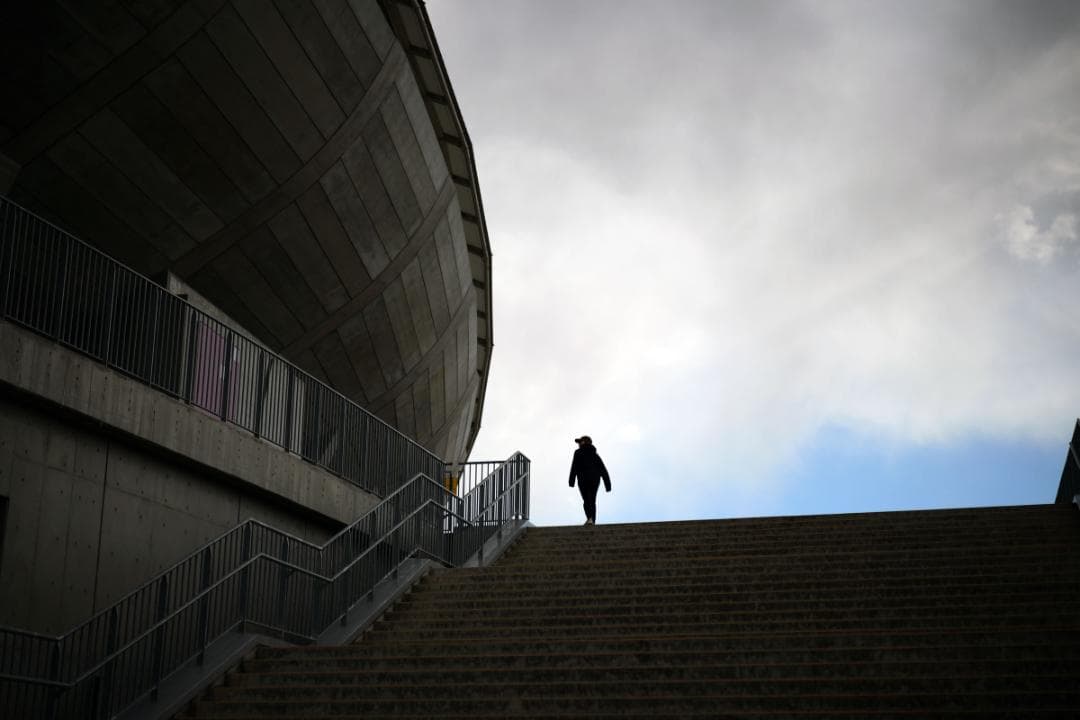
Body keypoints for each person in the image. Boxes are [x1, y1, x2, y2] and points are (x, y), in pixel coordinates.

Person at [568, 435, 611, 525]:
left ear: (584, 442)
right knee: (592, 499)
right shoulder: (595, 455)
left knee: (587, 500)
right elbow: (603, 469)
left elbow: (574, 466)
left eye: (580, 442)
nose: (579, 444)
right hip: (595, 479)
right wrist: (608, 485)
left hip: (583, 479)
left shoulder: (578, 452)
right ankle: (591, 520)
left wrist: (571, 481)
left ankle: (590, 518)